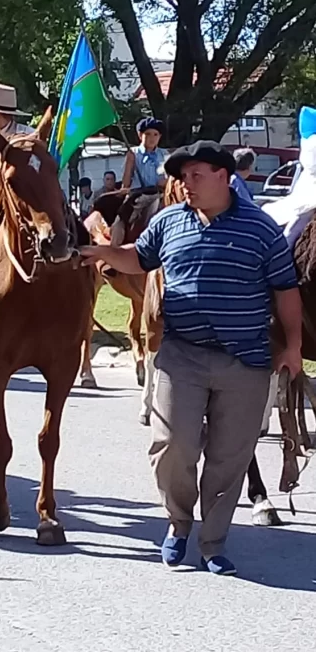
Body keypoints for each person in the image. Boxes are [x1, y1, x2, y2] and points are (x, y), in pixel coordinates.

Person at [81, 140, 302, 576]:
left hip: (245, 361)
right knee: (172, 445)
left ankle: (213, 541)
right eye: (182, 177)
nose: (186, 185)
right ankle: (179, 523)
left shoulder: (261, 229)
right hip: (181, 355)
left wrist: (292, 345)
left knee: (228, 456)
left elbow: (286, 292)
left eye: (196, 175)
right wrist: (103, 251)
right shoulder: (168, 222)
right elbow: (139, 258)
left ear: (224, 177)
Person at [263, 106, 316, 250]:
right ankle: (283, 253)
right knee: (299, 221)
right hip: (312, 191)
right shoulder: (313, 142)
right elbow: (313, 165)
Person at [121, 118, 167, 190]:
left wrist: (166, 181)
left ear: (160, 136)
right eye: (148, 134)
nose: (152, 138)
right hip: (139, 194)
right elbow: (126, 181)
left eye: (155, 134)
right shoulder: (133, 153)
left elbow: (172, 177)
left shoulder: (164, 154)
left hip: (160, 193)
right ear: (140, 135)